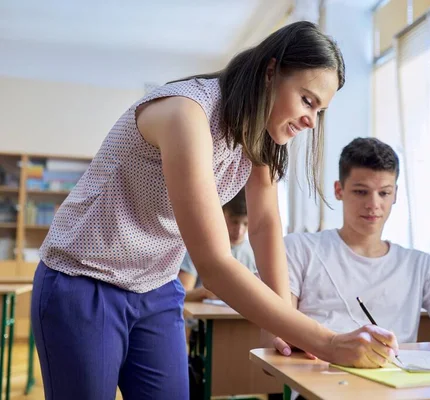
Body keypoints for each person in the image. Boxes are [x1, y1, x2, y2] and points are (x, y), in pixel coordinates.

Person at [30, 21, 399, 400]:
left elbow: (265, 224)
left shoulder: (263, 134)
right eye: (307, 100)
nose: (310, 120)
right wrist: (328, 341)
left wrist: (284, 323)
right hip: (83, 279)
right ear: (270, 72)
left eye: (319, 110)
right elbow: (214, 264)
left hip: (154, 286)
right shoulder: (186, 114)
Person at [273, 137, 430, 362]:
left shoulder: (417, 264)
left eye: (384, 193)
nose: (373, 204)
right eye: (361, 191)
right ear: (339, 190)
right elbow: (276, 334)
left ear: (396, 194)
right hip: (321, 382)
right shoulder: (299, 249)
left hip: (396, 385)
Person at [178, 187, 258, 297]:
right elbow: (182, 295)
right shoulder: (197, 247)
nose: (239, 231)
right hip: (200, 313)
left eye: (245, 224)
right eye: (234, 222)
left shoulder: (253, 254)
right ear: (221, 214)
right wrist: (203, 293)